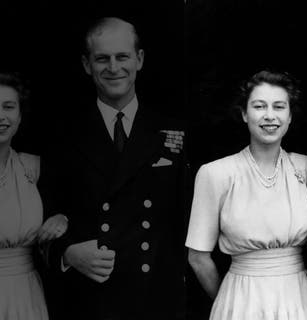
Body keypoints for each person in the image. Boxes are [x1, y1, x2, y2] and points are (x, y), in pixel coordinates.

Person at [39, 17, 188, 319]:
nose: (113, 67)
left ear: (140, 59)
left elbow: (191, 216)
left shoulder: (174, 129)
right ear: (86, 64)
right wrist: (66, 253)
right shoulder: (63, 134)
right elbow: (42, 211)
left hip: (156, 296)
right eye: (102, 59)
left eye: (122, 57)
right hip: (90, 297)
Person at [186, 70, 307, 320]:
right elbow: (198, 258)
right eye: (259, 106)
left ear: (290, 116)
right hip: (240, 299)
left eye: (279, 107)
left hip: (297, 299)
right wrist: (229, 302)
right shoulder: (215, 174)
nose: (270, 116)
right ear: (245, 114)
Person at [0, 72, 68, 319]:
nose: (0, 116)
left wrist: (62, 218)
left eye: (8, 107)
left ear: (19, 115)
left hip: (26, 295)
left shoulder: (34, 169)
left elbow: (74, 206)